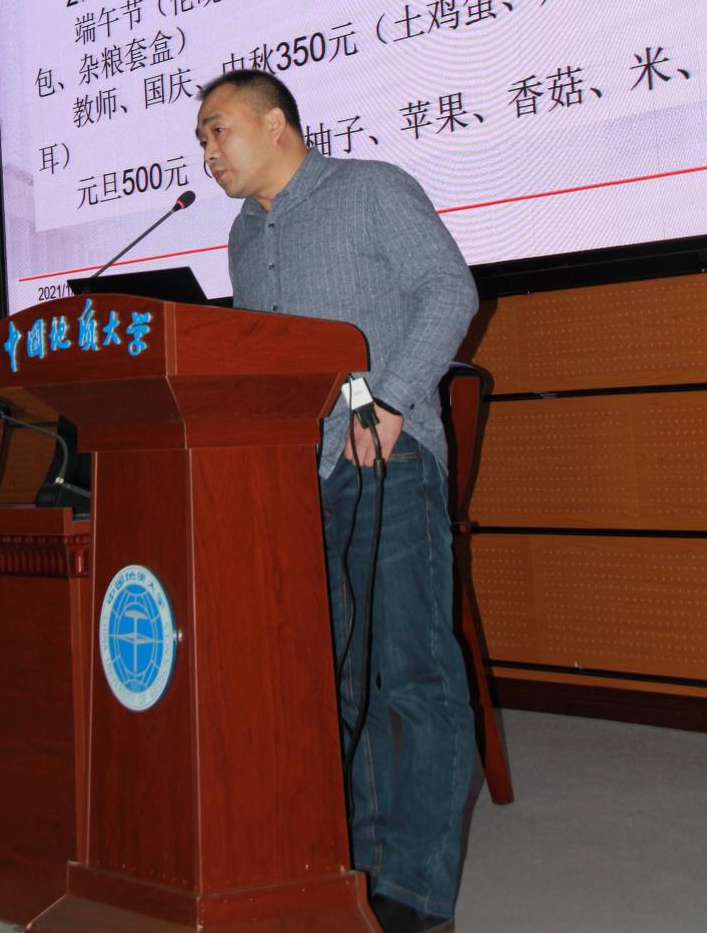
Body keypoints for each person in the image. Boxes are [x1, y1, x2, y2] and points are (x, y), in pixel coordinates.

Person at [195, 69, 479, 933]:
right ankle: (349, 860)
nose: (207, 153)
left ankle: (414, 891)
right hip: (294, 477)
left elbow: (450, 290)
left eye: (218, 131)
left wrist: (391, 401)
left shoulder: (370, 189)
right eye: (201, 139)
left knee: (408, 668)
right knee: (329, 678)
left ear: (275, 124)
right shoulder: (244, 236)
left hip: (385, 457)